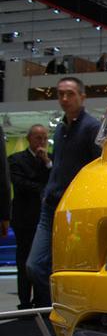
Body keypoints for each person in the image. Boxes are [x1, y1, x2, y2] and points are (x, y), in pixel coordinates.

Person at [26, 77, 101, 308]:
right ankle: (55, 306)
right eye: (60, 94)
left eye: (70, 94)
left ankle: (64, 309)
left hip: (74, 210)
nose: (65, 98)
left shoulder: (91, 127)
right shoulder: (60, 129)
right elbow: (58, 165)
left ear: (82, 97)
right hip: (51, 207)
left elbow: (97, 168)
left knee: (71, 267)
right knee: (34, 266)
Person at [9, 124, 51, 309]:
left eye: (44, 138)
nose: (41, 142)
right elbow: (19, 183)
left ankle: (42, 300)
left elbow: (56, 180)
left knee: (43, 261)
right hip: (24, 218)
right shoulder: (16, 159)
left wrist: (47, 162)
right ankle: (24, 302)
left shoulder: (51, 161)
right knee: (24, 260)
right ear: (29, 139)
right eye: (38, 138)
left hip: (45, 219)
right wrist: (43, 190)